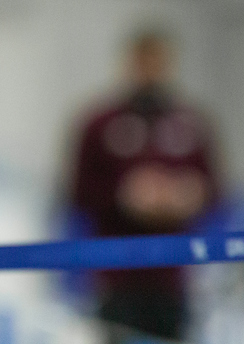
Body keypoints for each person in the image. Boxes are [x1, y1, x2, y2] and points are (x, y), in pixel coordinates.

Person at [68, 29, 222, 343]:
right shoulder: (99, 123)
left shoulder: (192, 123)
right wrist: (124, 196)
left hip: (172, 276)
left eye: (158, 62)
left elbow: (215, 190)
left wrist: (190, 195)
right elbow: (77, 192)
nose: (150, 71)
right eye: (143, 62)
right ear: (128, 64)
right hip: (117, 275)